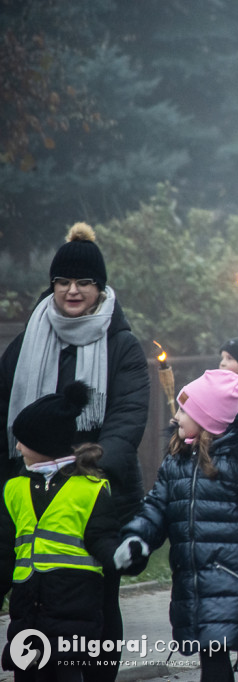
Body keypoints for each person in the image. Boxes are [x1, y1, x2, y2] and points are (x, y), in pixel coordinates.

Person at [0, 223, 150, 681]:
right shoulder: (27, 342)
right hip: (32, 488)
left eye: (83, 282)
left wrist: (86, 466)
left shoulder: (121, 345)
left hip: (97, 492)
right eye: (63, 282)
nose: (72, 291)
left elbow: (127, 419)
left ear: (100, 288)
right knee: (35, 596)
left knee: (98, 605)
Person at [118, 370, 238, 680]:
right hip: (192, 581)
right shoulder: (176, 460)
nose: (175, 418)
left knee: (215, 659)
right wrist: (137, 538)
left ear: (208, 421)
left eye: (183, 411)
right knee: (211, 659)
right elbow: (156, 508)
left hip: (231, 579)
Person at [0, 382, 120, 680]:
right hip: (27, 613)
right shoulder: (14, 488)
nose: (17, 447)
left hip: (73, 611)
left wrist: (126, 557)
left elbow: (104, 540)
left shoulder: (90, 489)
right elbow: (3, 551)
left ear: (44, 443)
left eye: (23, 441)